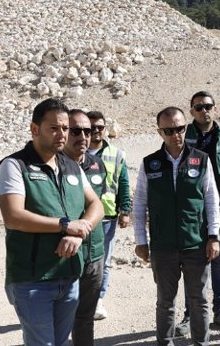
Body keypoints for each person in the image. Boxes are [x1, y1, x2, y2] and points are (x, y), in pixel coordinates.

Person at [0, 99, 104, 346]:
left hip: (69, 275)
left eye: (65, 128)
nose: (62, 134)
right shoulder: (15, 165)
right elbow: (13, 216)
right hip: (33, 279)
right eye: (54, 128)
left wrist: (79, 231)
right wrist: (65, 225)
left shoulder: (71, 166)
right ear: (35, 129)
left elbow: (96, 205)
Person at [133, 107, 220, 346]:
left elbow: (212, 200)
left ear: (186, 128)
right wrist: (141, 241)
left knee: (199, 300)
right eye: (169, 131)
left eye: (180, 129)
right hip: (163, 246)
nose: (175, 135)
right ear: (160, 132)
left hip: (196, 243)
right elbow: (139, 204)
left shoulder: (201, 159)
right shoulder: (150, 163)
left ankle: (201, 343)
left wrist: (214, 236)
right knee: (165, 301)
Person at [173, 92, 220, 336]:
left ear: (215, 109)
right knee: (192, 260)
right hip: (191, 210)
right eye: (199, 107)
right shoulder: (183, 135)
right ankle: (190, 313)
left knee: (219, 258)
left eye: (208, 106)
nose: (204, 110)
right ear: (191, 111)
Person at [63, 109, 112, 346]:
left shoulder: (97, 164)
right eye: (75, 131)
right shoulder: (54, 165)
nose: (83, 136)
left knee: (85, 318)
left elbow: (98, 204)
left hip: (94, 253)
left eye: (88, 131)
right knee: (59, 318)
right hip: (64, 254)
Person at [85, 110, 132, 321]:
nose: (96, 131)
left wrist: (125, 210)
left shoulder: (117, 154)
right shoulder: (75, 151)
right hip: (81, 216)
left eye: (100, 127)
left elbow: (123, 182)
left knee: (103, 261)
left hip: (107, 216)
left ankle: (98, 300)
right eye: (91, 127)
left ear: (106, 129)